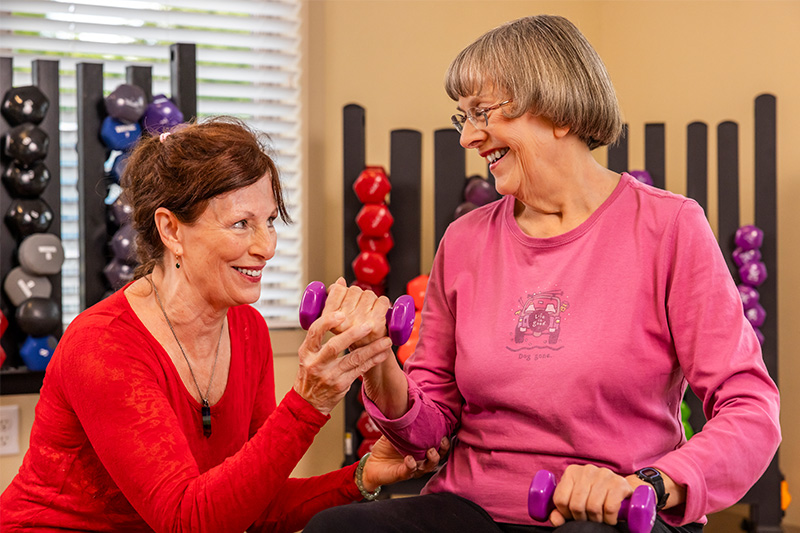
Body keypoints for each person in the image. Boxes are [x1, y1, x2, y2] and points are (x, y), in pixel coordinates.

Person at [303, 14, 781, 533]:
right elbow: (430, 425)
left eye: (483, 112)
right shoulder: (463, 241)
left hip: (611, 513)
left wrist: (651, 483)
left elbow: (750, 408)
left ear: (556, 109)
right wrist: (379, 366)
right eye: (461, 117)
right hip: (473, 509)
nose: (468, 137)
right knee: (339, 530)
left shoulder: (670, 226)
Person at [0, 117, 446, 532]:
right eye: (241, 224)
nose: (266, 247)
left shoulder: (247, 329)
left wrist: (362, 476)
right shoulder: (103, 345)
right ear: (171, 230)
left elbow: (252, 507)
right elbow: (187, 521)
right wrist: (308, 402)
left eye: (270, 221)